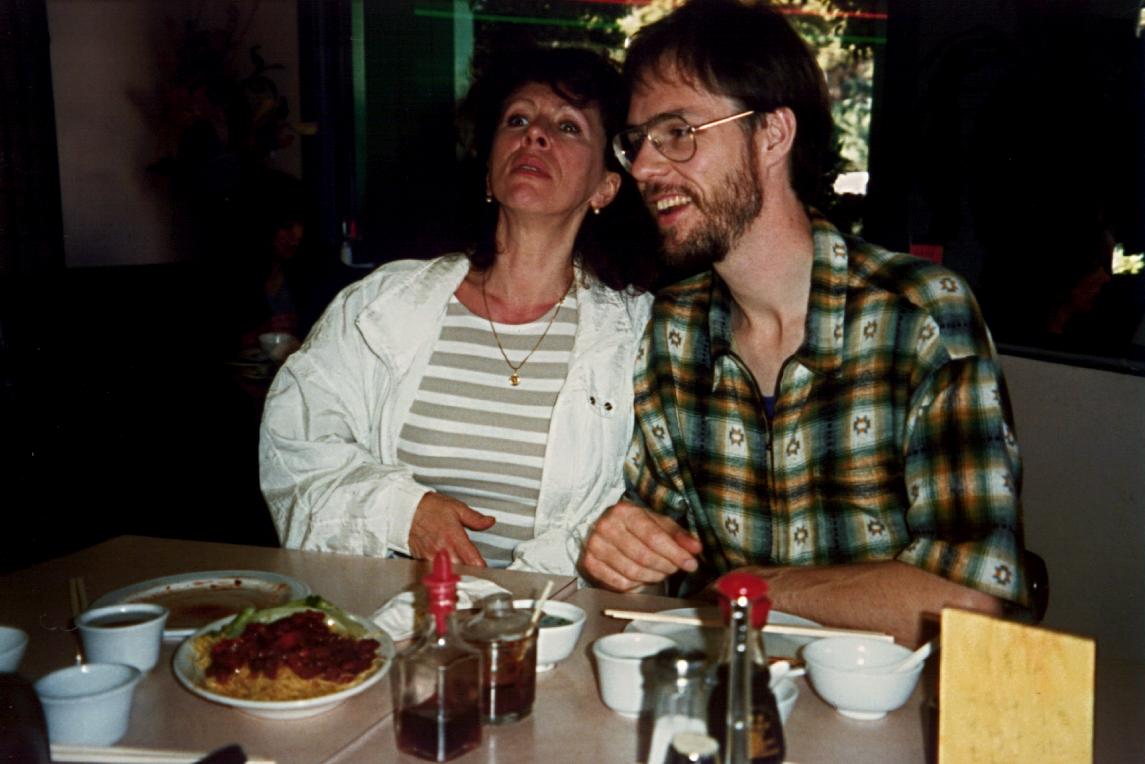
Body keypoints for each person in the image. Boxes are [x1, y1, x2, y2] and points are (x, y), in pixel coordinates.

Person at [579, 0, 1028, 646]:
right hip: (733, 689)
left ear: (772, 134)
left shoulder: (918, 317)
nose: (645, 168)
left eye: (677, 132)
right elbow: (660, 586)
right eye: (637, 142)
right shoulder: (672, 333)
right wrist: (625, 560)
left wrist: (755, 587)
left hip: (888, 701)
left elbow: (969, 600)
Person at [259, 45, 657, 575]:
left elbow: (651, 503)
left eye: (568, 127)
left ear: (605, 187)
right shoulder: (382, 304)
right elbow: (295, 448)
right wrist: (401, 513)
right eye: (517, 120)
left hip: (554, 614)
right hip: (394, 608)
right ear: (489, 172)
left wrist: (507, 599)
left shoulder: (639, 333)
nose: (534, 135)